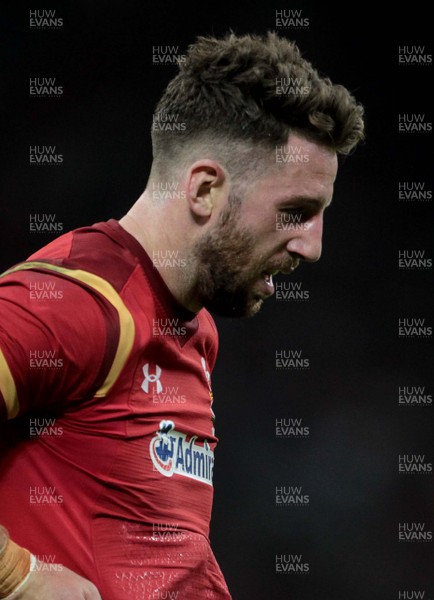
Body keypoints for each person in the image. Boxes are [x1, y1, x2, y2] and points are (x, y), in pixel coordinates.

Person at [0, 31, 364, 599]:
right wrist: (17, 578)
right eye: (296, 212)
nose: (312, 246)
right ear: (204, 189)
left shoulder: (194, 329)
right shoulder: (83, 303)